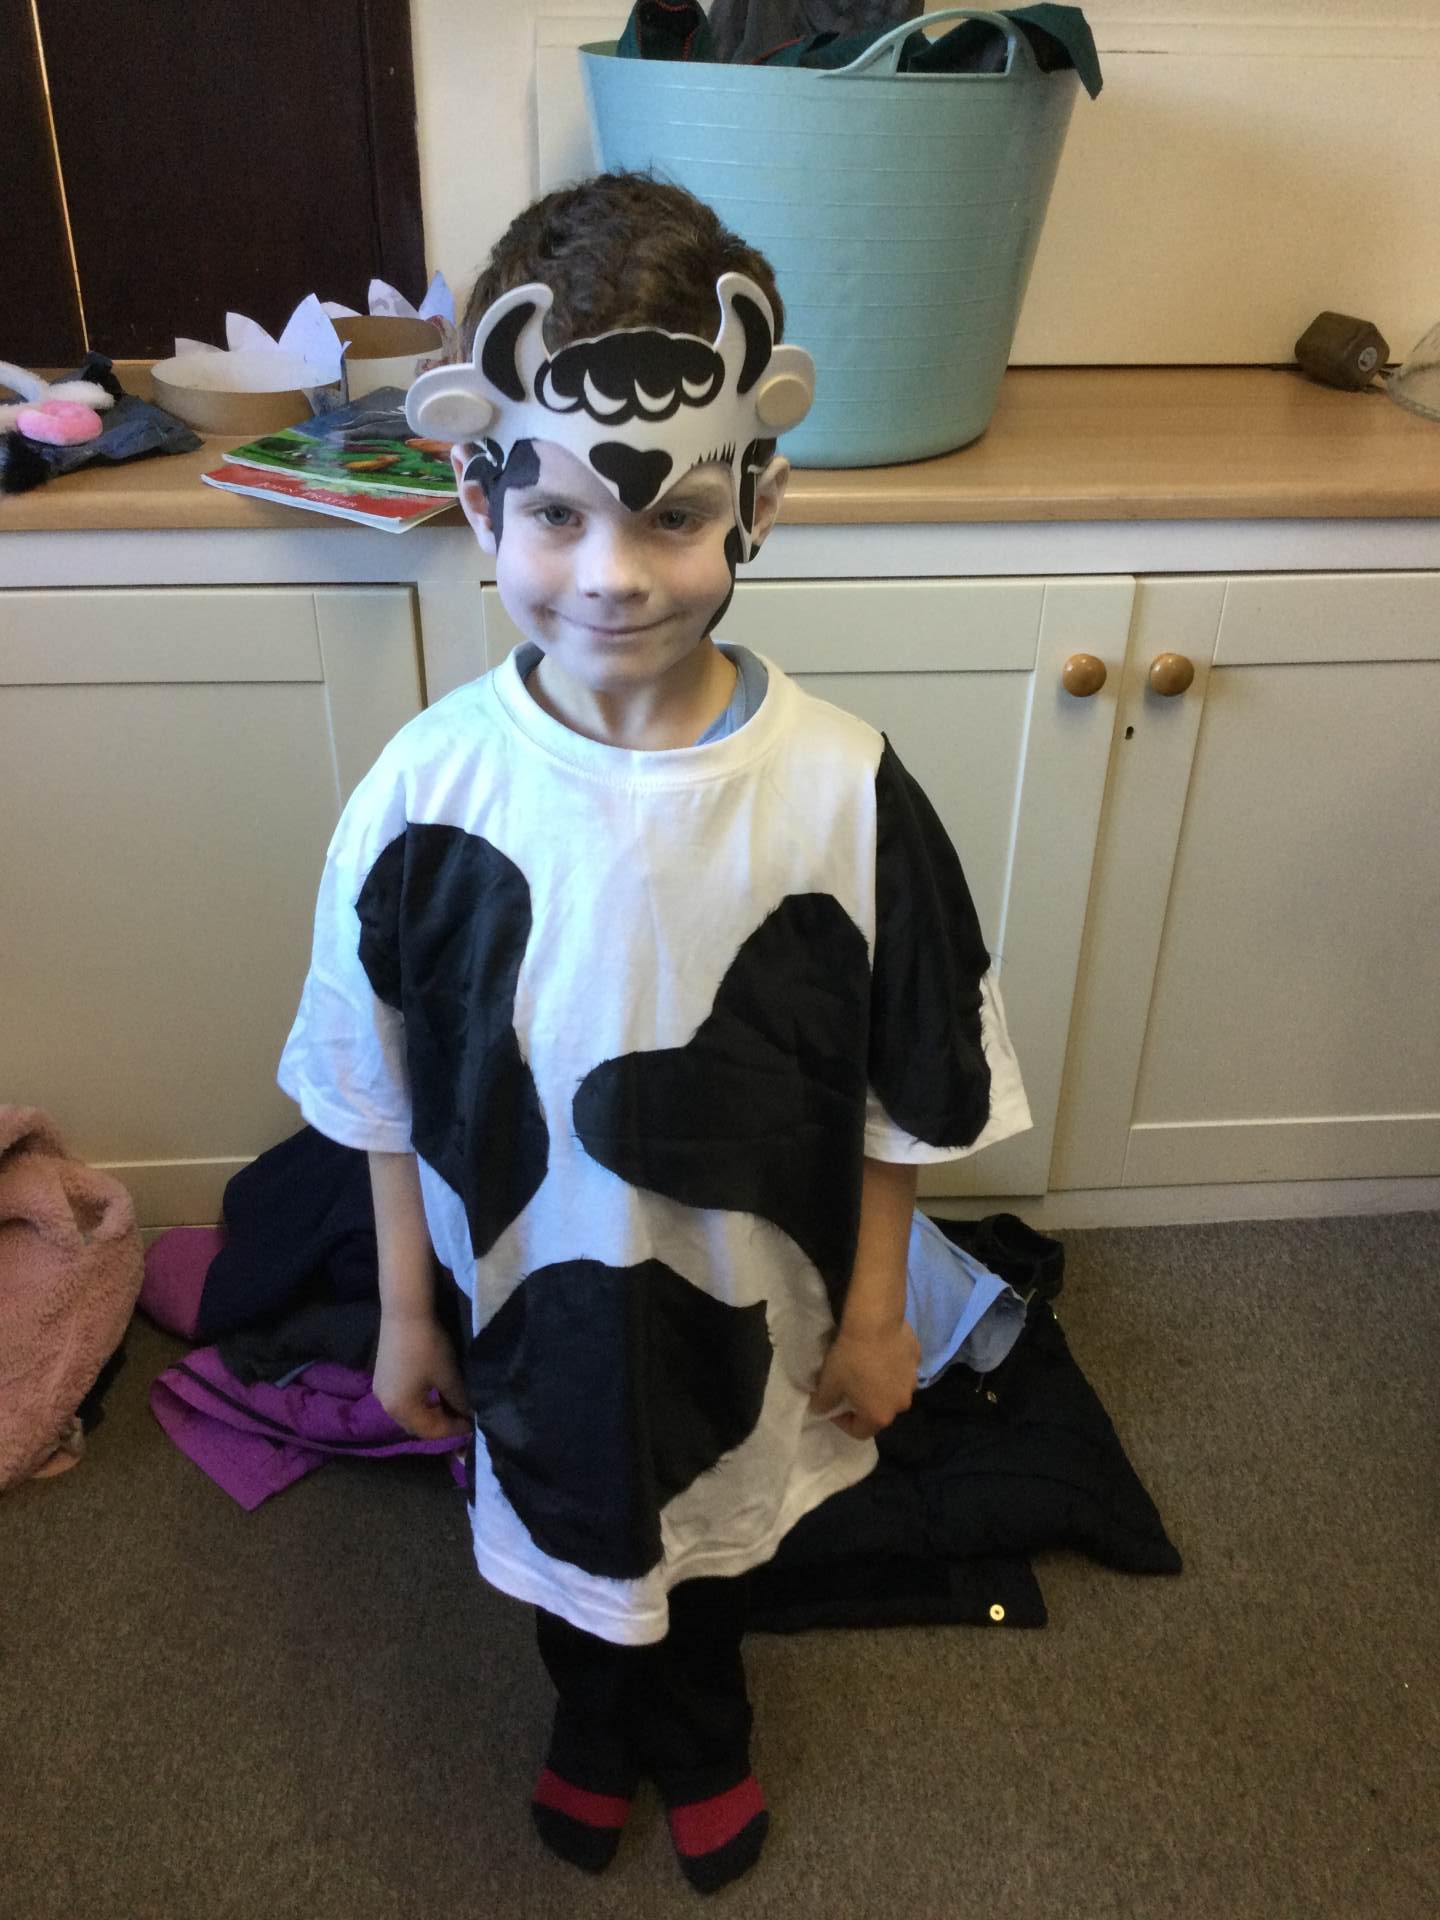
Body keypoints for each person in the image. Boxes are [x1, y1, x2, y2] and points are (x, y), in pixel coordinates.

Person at [278, 171, 1031, 1894]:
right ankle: (591, 1722)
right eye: (555, 514)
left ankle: (704, 1734)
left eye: (674, 515)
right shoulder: (425, 793)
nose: (613, 576)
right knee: (572, 1542)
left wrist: (879, 1317)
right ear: (478, 496)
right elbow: (377, 1086)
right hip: (523, 1311)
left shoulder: (843, 790)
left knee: (725, 1543)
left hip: (755, 1310)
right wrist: (405, 1308)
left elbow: (909, 1094)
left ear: (759, 499)